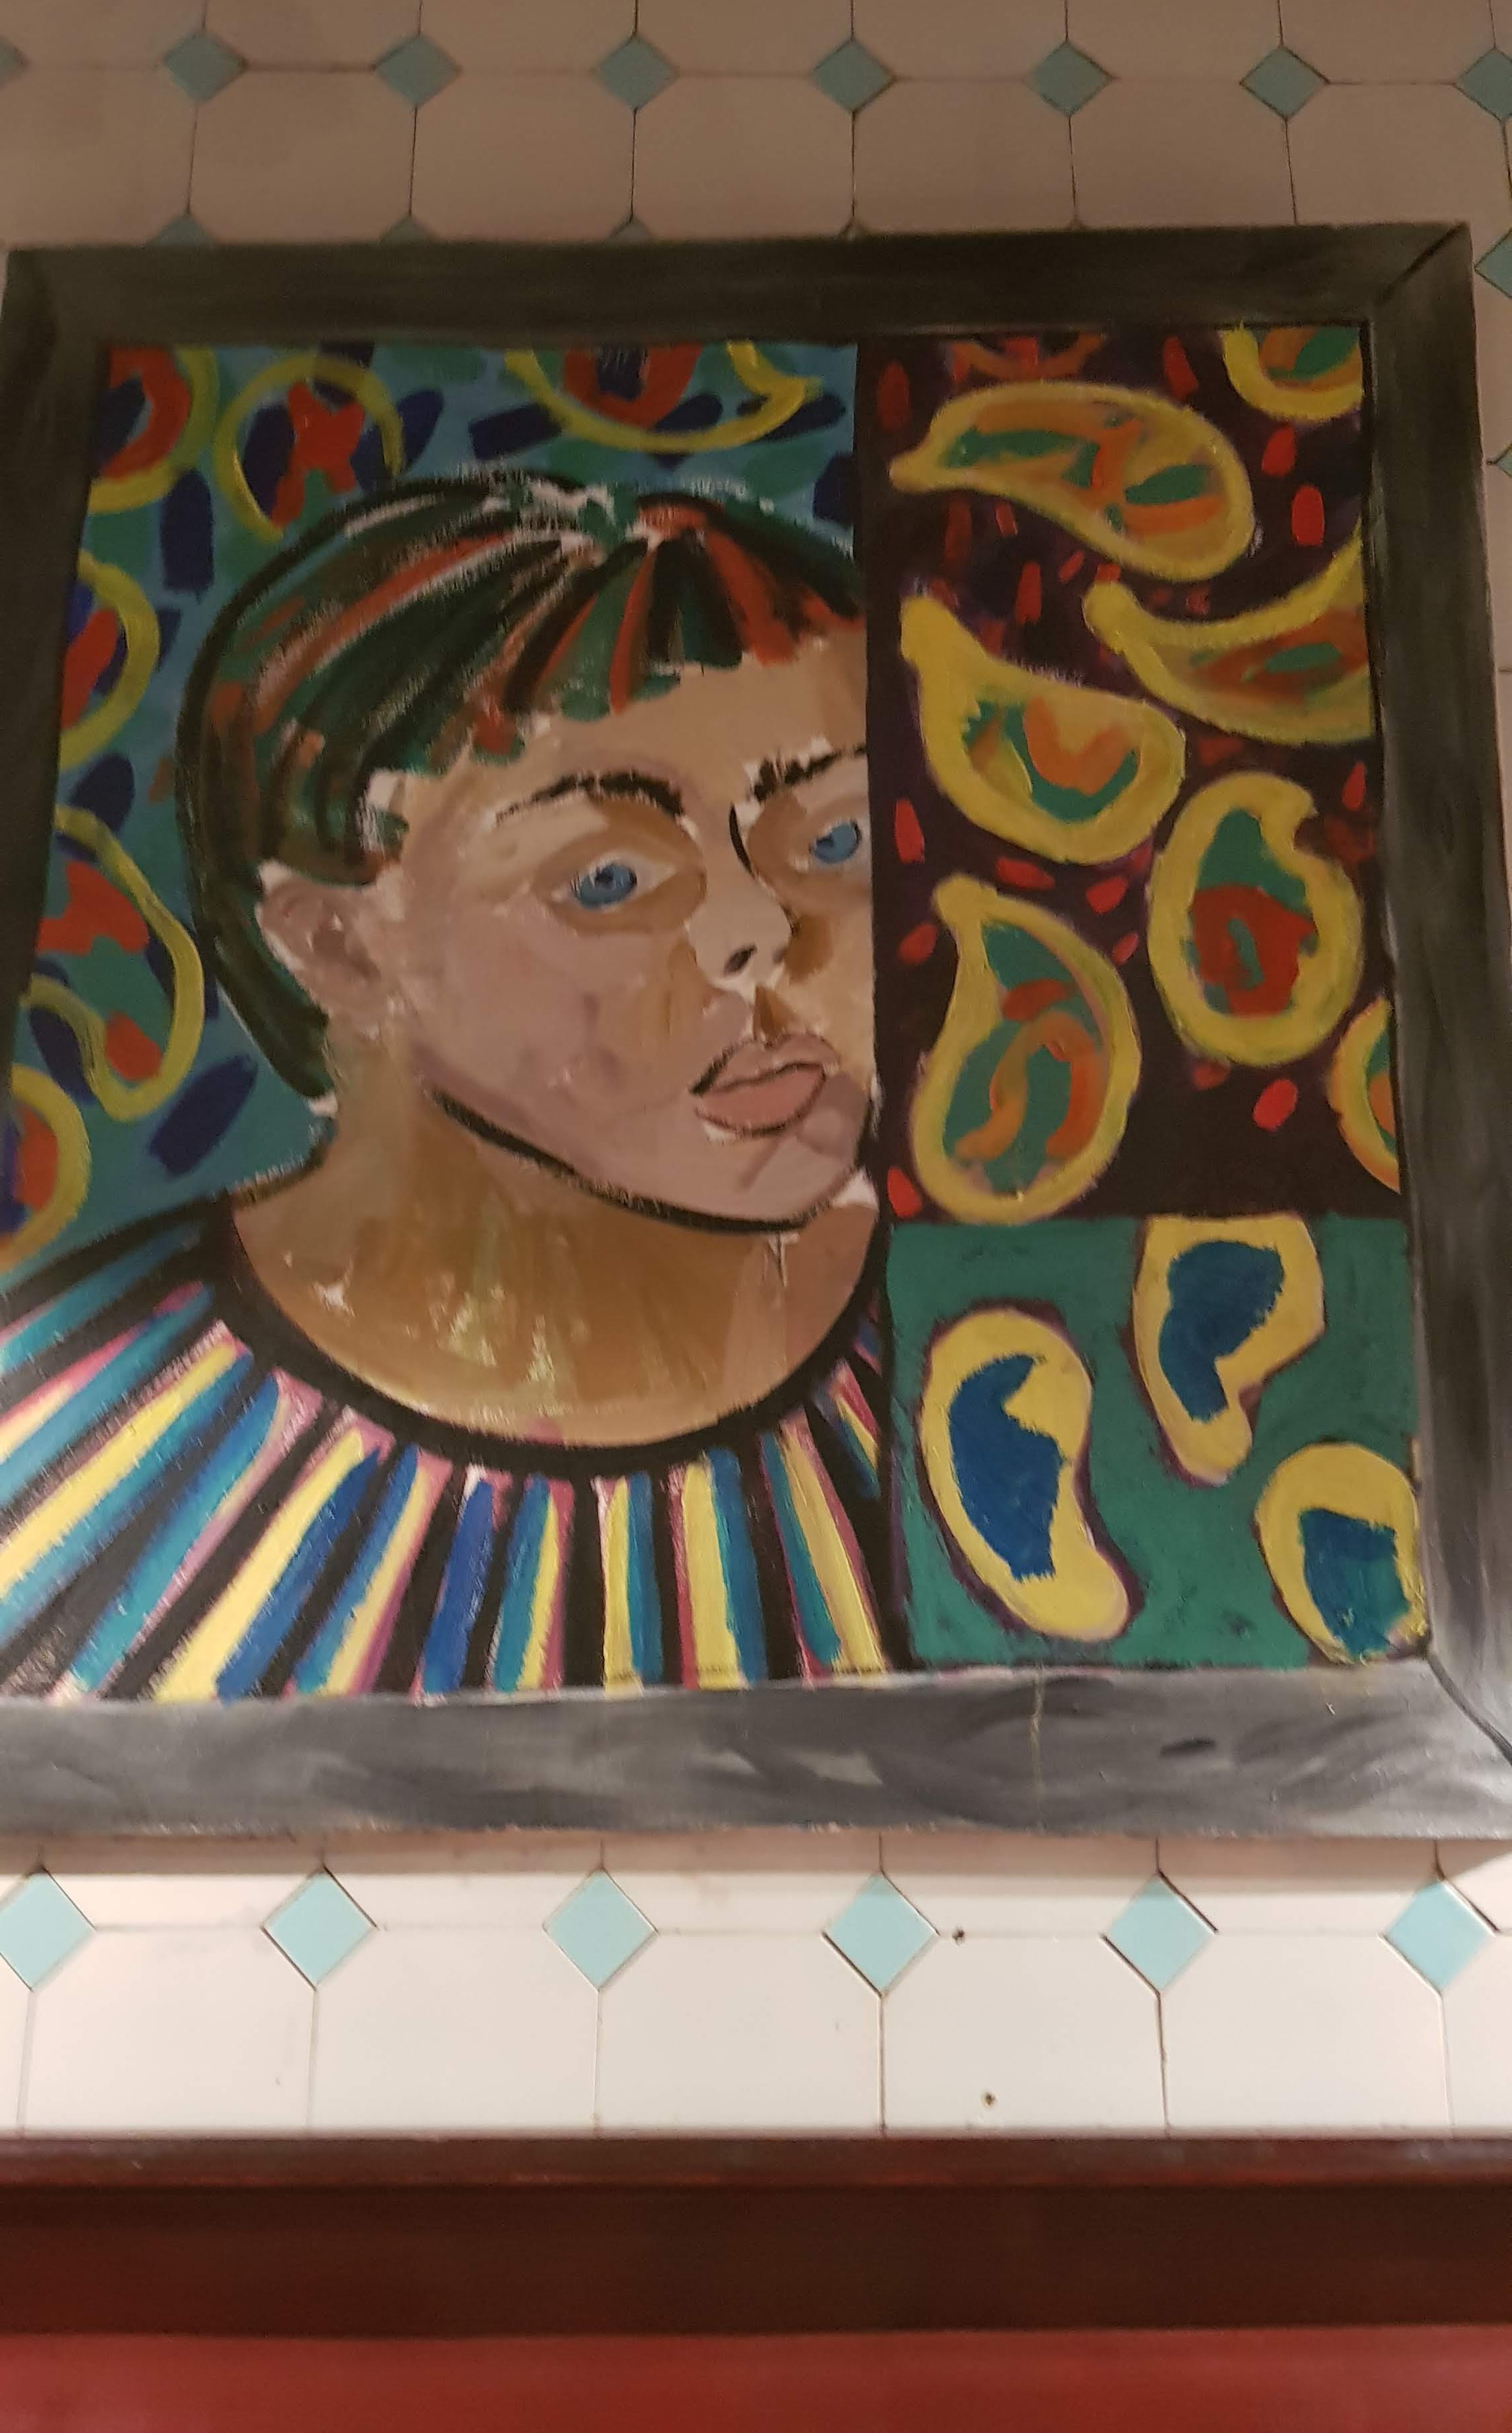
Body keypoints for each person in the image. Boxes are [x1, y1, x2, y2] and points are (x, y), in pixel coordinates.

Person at [0, 474, 904, 1702]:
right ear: (336, 946)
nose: (761, 932)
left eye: (838, 840)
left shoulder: (1003, 1370)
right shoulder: (76, 1444)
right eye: (608, 880)